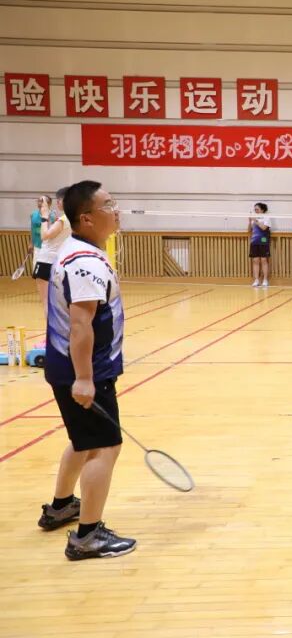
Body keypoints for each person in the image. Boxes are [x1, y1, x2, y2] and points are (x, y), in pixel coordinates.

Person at [38, 179, 136, 560]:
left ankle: (62, 506)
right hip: (85, 371)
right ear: (87, 218)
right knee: (105, 446)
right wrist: (84, 378)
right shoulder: (85, 263)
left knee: (83, 441)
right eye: (108, 205)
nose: (116, 210)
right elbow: (81, 325)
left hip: (72, 369)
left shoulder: (78, 250)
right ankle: (88, 536)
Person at [36, 187, 71, 310]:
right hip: (60, 262)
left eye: (59, 200)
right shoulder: (74, 219)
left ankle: (50, 323)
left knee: (47, 302)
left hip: (46, 261)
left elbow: (44, 235)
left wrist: (44, 217)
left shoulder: (63, 220)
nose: (57, 203)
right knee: (59, 303)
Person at [248, 202, 271, 288]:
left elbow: (264, 228)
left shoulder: (266, 217)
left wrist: (255, 220)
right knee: (255, 261)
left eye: (257, 209)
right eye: (255, 209)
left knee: (264, 260)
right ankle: (256, 280)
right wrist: (249, 221)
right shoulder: (253, 219)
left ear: (262, 210)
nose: (256, 211)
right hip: (254, 241)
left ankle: (265, 280)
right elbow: (249, 230)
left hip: (263, 241)